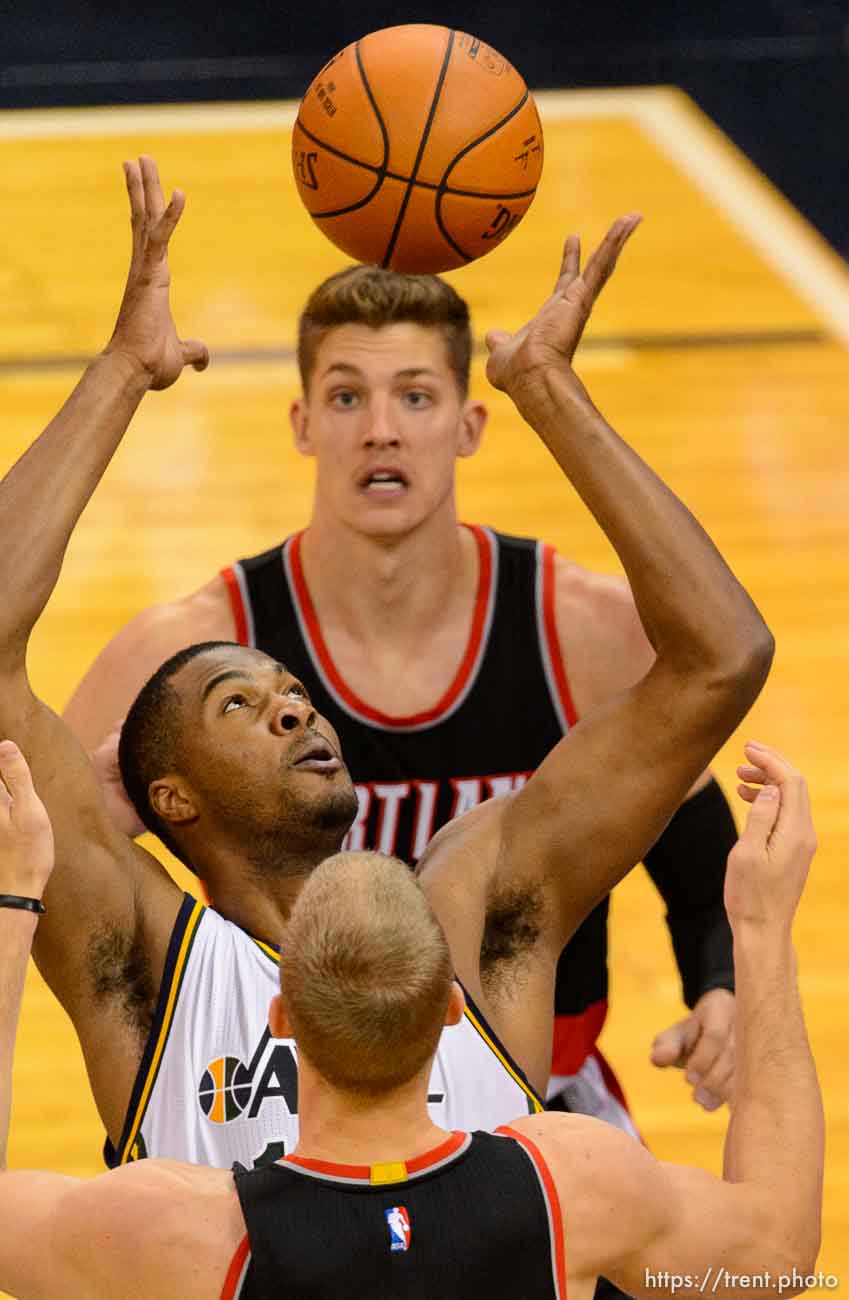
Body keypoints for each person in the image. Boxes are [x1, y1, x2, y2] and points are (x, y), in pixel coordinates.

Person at [0, 156, 772, 1173]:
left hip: (559, 1073)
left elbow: (720, 672)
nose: (293, 709)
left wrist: (552, 393)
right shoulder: (150, 967)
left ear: (464, 422)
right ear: (172, 795)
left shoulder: (482, 909)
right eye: (242, 700)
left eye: (294, 692)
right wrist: (120, 371)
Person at [0, 739, 823, 1299]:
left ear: (281, 1022)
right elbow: (777, 1254)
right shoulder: (568, 1183)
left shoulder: (186, 1230)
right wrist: (759, 929)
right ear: (451, 1012)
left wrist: (13, 906)